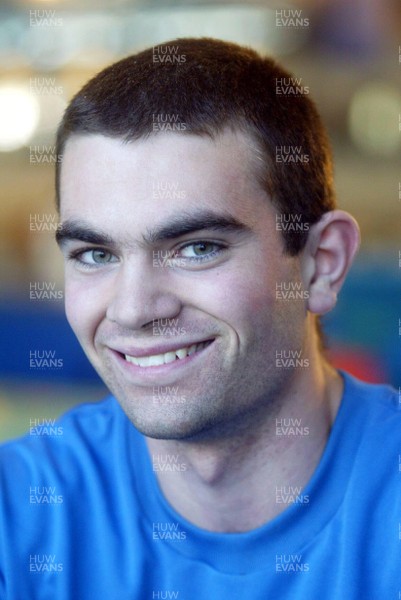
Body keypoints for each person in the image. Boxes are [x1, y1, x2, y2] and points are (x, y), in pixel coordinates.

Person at [1, 37, 399, 599]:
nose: (135, 309)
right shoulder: (18, 511)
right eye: (96, 255)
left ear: (322, 264)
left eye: (197, 248)